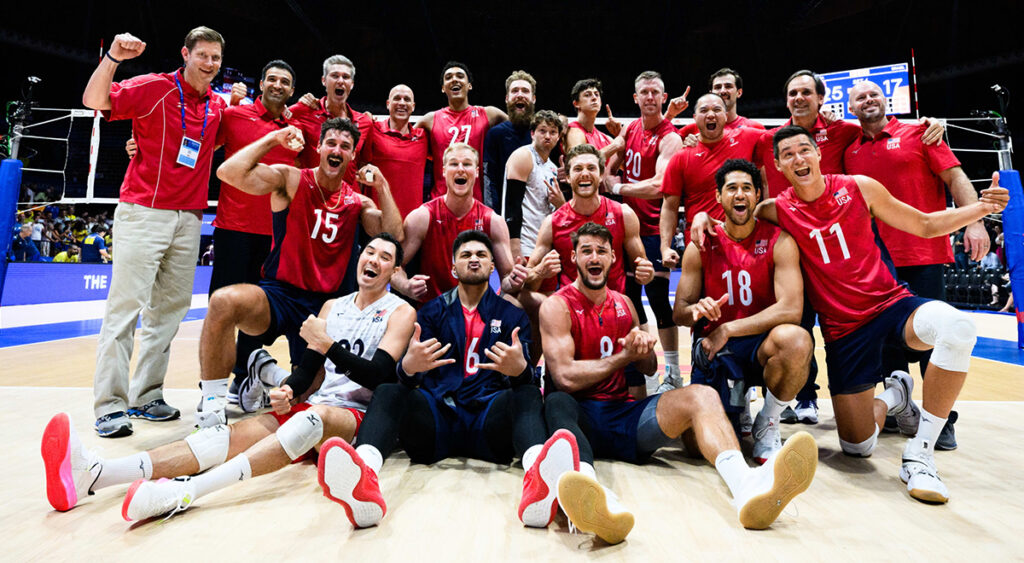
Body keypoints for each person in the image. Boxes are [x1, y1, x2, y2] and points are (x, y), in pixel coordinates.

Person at [693, 125, 1009, 503]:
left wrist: (980, 209)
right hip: (843, 331)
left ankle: (920, 455)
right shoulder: (775, 210)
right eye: (788, 154)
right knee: (857, 448)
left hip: (889, 304)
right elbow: (731, 222)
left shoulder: (859, 186)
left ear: (818, 153)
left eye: (804, 150)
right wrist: (700, 217)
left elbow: (924, 225)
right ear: (777, 166)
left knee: (957, 327)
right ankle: (896, 396)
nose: (799, 158)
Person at [40, 233, 414, 519]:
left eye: (385, 257)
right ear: (360, 258)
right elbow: (311, 371)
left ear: (394, 271)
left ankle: (184, 493)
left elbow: (379, 376)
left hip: (355, 417)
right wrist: (290, 390)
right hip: (316, 405)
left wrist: (327, 344)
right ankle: (96, 473)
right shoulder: (334, 306)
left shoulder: (400, 311)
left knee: (313, 419)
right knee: (221, 439)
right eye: (370, 252)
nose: (374, 260)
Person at [540, 222, 817, 543]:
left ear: (613, 257)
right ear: (574, 257)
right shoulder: (557, 305)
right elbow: (564, 377)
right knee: (557, 402)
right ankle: (594, 495)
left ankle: (747, 486)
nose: (594, 257)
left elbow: (649, 366)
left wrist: (641, 349)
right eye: (586, 251)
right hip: (579, 418)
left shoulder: (624, 304)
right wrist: (622, 357)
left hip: (622, 415)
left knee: (701, 396)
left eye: (601, 251)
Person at [316, 230, 577, 531]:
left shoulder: (511, 315)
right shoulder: (430, 313)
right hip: (438, 422)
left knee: (528, 396)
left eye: (481, 255)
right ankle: (364, 476)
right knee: (389, 390)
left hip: (488, 422)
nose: (474, 259)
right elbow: (405, 378)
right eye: (465, 255)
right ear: (453, 268)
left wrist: (521, 371)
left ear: (493, 267)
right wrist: (408, 369)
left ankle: (538, 480)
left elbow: (528, 383)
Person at [197, 118, 403, 427]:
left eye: (345, 146)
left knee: (306, 398)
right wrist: (273, 139)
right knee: (223, 301)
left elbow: (393, 236)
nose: (337, 150)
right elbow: (227, 172)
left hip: (326, 309)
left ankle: (266, 371)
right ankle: (212, 403)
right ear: (318, 148)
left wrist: (383, 186)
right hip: (280, 294)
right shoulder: (291, 179)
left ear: (352, 157)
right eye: (331, 143)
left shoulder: (358, 202)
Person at [82, 28, 229, 437]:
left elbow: (209, 146)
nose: (209, 63)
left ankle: (146, 396)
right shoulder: (154, 88)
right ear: (186, 53)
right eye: (203, 55)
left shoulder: (218, 107)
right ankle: (110, 406)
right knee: (125, 310)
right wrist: (112, 57)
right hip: (143, 211)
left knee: (169, 313)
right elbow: (94, 101)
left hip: (189, 219)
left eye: (216, 58)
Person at [846, 79, 987, 447]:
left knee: (934, 339)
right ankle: (900, 410)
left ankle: (942, 421)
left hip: (922, 253)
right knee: (889, 341)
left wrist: (975, 221)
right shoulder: (851, 149)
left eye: (873, 93)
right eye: (860, 97)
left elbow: (956, 178)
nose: (868, 100)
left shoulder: (921, 133)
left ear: (885, 99)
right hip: (876, 261)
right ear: (852, 108)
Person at [673, 159, 810, 462]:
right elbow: (679, 313)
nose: (739, 195)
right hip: (717, 352)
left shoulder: (779, 240)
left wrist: (728, 328)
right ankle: (738, 403)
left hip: (761, 346)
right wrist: (697, 308)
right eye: (731, 188)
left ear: (758, 195)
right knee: (698, 448)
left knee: (796, 340)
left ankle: (768, 422)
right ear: (719, 197)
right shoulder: (701, 244)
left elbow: (792, 309)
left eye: (747, 188)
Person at [606, 71, 684, 391]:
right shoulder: (630, 128)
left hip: (653, 231)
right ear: (635, 98)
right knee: (628, 299)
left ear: (664, 98)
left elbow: (659, 186)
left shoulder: (671, 137)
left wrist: (617, 185)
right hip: (624, 230)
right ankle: (644, 370)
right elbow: (610, 157)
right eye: (644, 92)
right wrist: (600, 168)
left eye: (655, 92)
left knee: (659, 301)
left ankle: (675, 373)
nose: (650, 97)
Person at [390, 143, 527, 303]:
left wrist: (514, 281)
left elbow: (506, 279)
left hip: (477, 314)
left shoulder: (493, 221)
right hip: (433, 312)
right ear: (443, 171)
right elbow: (394, 268)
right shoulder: (422, 216)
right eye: (454, 164)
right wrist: (406, 286)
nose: (460, 169)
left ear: (476, 172)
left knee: (515, 304)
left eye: (467, 164)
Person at [417, 61, 508, 201]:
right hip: (440, 203)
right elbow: (402, 138)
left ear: (469, 85)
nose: (454, 79)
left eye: (460, 76)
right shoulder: (430, 120)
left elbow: (521, 127)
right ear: (443, 88)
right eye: (448, 77)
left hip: (476, 202)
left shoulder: (489, 114)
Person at [290, 55, 373, 184]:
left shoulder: (365, 122)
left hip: (348, 200)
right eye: (335, 76)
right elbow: (276, 117)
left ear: (352, 84)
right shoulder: (303, 111)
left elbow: (364, 164)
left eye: (345, 77)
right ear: (324, 80)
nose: (340, 81)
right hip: (312, 197)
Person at [501, 110, 563, 263]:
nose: (547, 136)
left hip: (544, 246)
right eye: (542, 131)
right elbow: (512, 204)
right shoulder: (523, 155)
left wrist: (562, 203)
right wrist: (515, 247)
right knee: (522, 287)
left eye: (552, 132)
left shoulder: (552, 168)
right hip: (524, 245)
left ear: (558, 137)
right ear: (532, 133)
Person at [359, 85, 429, 220]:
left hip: (411, 223)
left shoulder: (423, 137)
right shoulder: (372, 129)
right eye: (397, 98)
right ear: (388, 104)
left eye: (407, 100)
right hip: (378, 220)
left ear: (413, 106)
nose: (402, 103)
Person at [484, 71, 537, 208]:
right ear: (507, 98)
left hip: (538, 212)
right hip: (504, 212)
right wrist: (492, 216)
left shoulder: (545, 134)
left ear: (533, 98)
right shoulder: (495, 134)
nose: (520, 94)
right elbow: (489, 180)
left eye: (525, 91)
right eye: (515, 91)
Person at [677, 68, 765, 139]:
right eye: (718, 87)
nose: (722, 91)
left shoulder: (754, 128)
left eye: (728, 86)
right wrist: (670, 114)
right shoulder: (694, 128)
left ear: (739, 92)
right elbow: (665, 141)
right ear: (711, 93)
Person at [565, 78, 622, 160]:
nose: (594, 98)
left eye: (596, 94)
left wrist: (620, 136)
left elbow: (627, 164)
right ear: (576, 103)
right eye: (587, 95)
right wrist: (615, 145)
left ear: (601, 103)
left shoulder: (606, 138)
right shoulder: (573, 131)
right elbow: (581, 162)